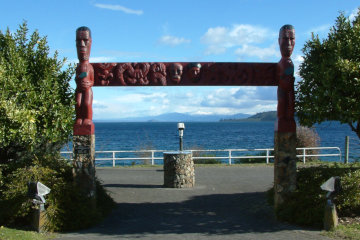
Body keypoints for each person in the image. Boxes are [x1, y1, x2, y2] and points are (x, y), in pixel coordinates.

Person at [277, 24, 296, 132]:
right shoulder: (281, 64)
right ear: (279, 41)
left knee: (288, 116)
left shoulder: (288, 63)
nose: (289, 43)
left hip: (289, 96)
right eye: (285, 38)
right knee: (283, 113)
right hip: (284, 95)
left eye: (291, 38)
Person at [75, 26, 94, 126]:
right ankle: (79, 118)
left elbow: (92, 80)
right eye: (78, 41)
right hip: (79, 88)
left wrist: (89, 83)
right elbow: (76, 78)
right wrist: (78, 79)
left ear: (90, 42)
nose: (82, 45)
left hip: (87, 89)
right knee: (77, 103)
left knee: (86, 104)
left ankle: (87, 118)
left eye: (85, 40)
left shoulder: (90, 67)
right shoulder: (78, 67)